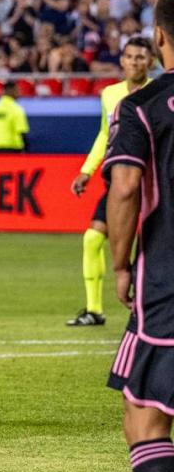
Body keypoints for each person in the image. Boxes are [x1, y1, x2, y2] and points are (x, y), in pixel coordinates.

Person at [104, 0, 174, 472]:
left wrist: (121, 265)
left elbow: (126, 188)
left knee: (144, 417)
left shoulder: (142, 106)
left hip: (167, 279)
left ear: (158, 37)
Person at [67, 37, 153, 327]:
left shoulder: (158, 92)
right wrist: (87, 171)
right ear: (122, 61)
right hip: (118, 180)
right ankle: (94, 310)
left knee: (150, 246)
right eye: (129, 57)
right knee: (92, 238)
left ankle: (148, 308)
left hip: (150, 180)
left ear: (151, 61)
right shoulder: (110, 94)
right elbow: (106, 135)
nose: (134, 62)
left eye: (140, 57)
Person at [0, 82, 30, 152]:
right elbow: (22, 131)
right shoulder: (17, 109)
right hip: (13, 148)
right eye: (17, 90)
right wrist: (26, 149)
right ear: (12, 91)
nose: (19, 93)